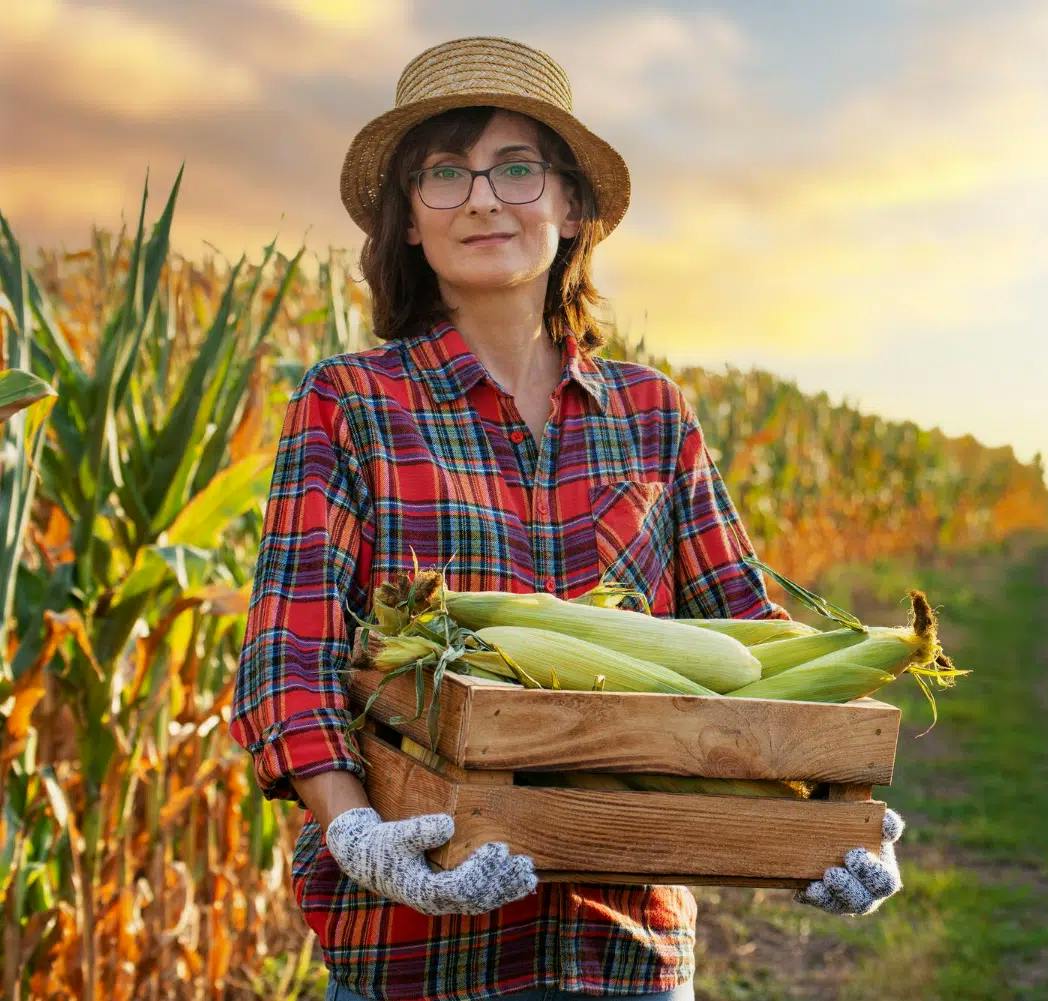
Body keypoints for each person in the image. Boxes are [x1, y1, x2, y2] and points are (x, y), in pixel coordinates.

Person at [229, 35, 906, 1001]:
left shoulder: (652, 413)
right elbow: (286, 661)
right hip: (418, 950)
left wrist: (835, 820)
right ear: (408, 223)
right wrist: (357, 832)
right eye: (444, 174)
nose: (482, 198)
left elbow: (750, 650)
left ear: (572, 206)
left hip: (625, 948)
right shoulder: (353, 403)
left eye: (516, 168)